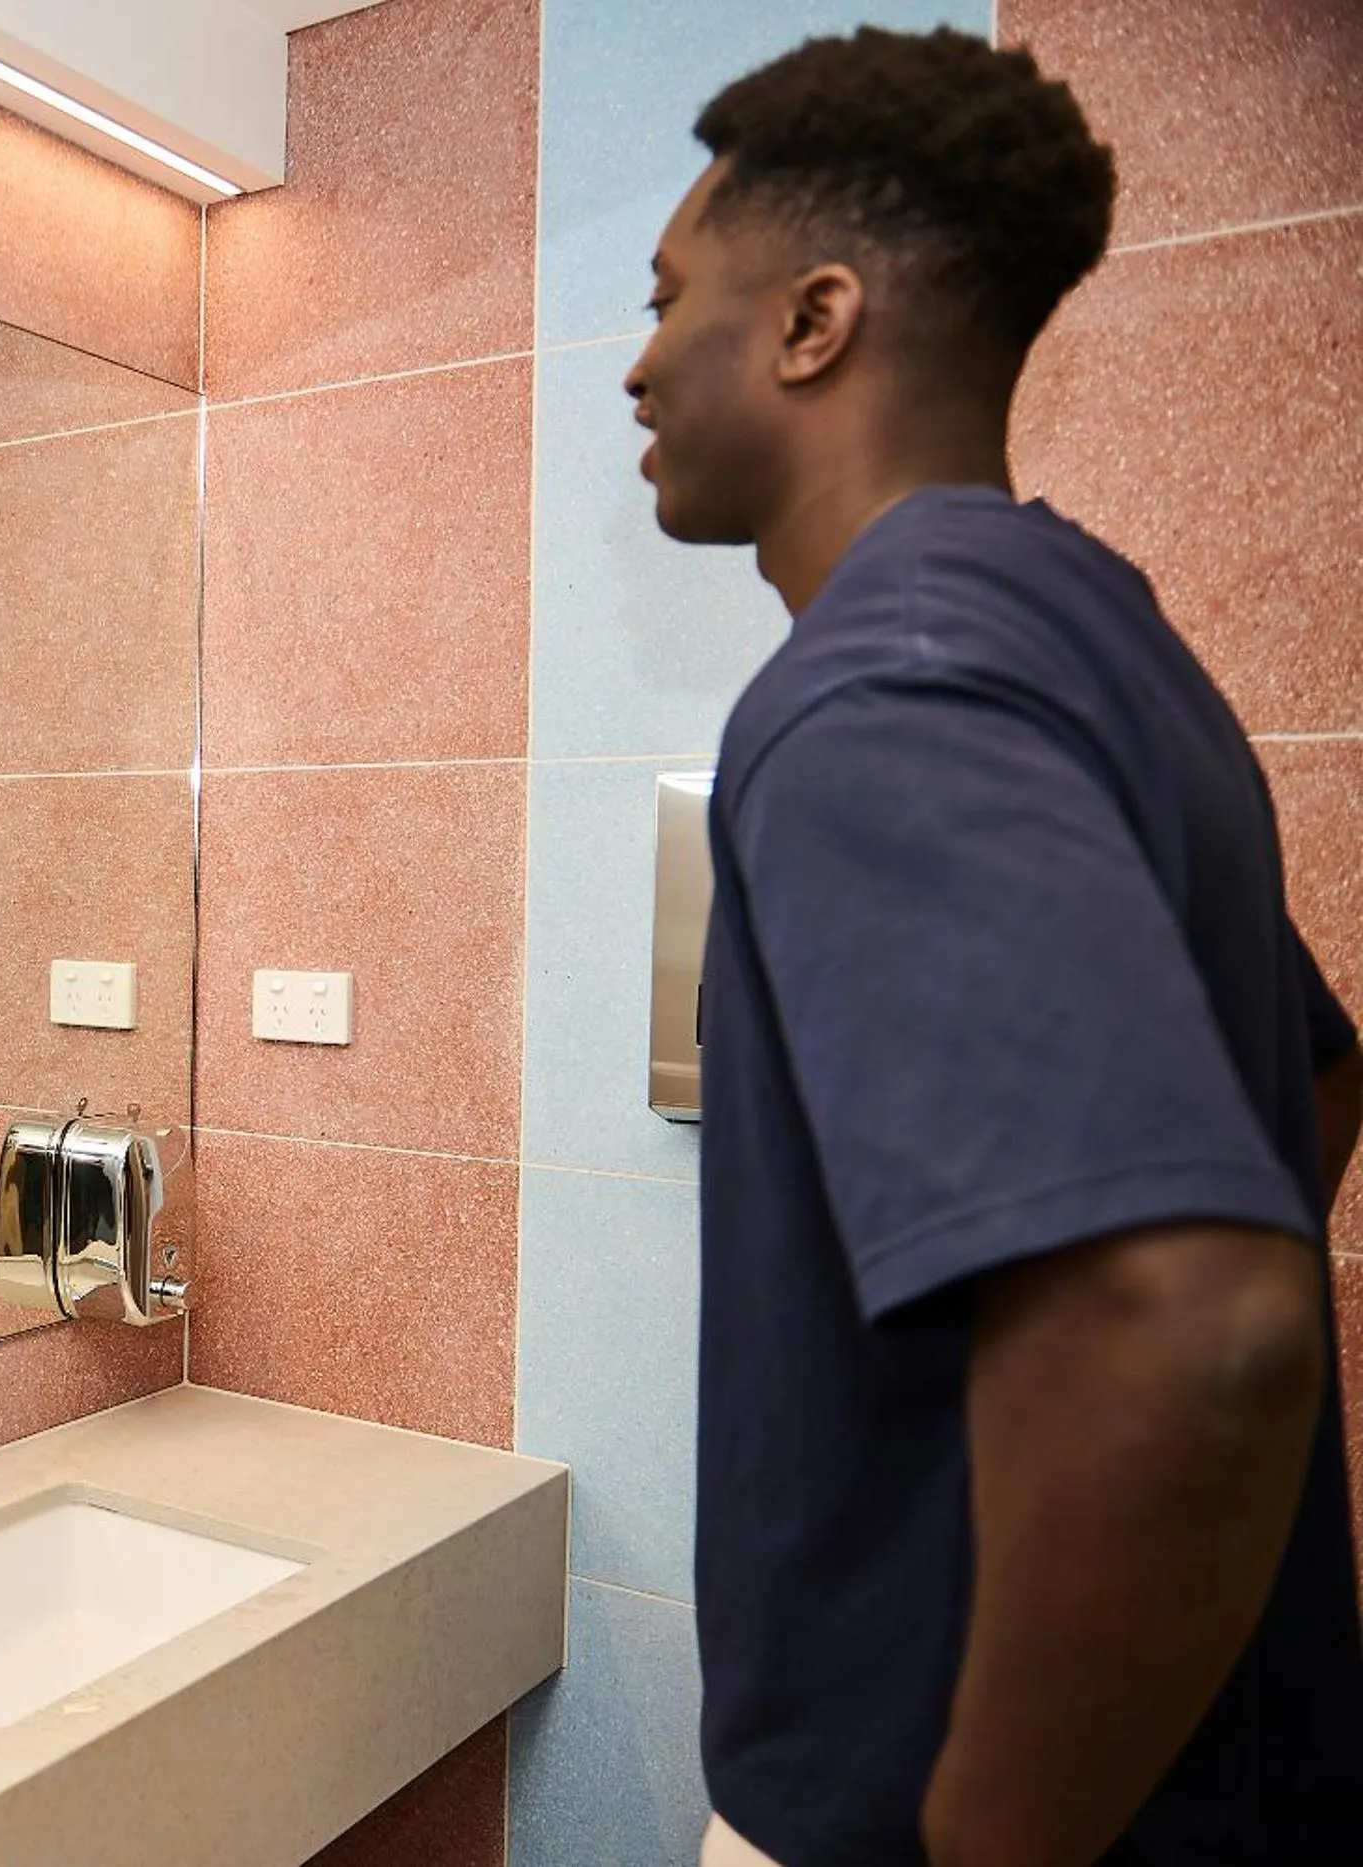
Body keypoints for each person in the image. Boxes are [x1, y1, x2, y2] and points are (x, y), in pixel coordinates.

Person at [629, 27, 1363, 1866]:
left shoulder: (871, 690)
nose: (634, 365)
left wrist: (991, 1832)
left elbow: (1194, 1318)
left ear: (813, 323)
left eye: (667, 299)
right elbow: (1319, 1078)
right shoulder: (1086, 627)